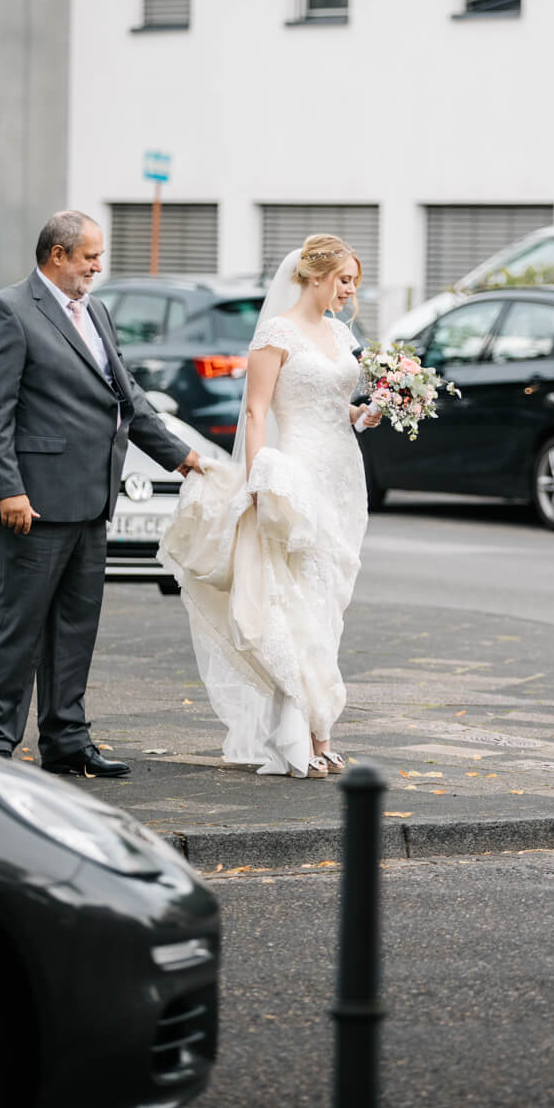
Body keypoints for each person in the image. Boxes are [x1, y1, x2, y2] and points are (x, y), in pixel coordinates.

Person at [0, 211, 202, 777]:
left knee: (76, 624)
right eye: (89, 257)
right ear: (57, 256)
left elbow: (127, 396)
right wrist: (8, 490)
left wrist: (183, 455)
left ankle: (67, 741)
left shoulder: (95, 310)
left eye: (98, 257)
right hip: (34, 502)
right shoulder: (10, 311)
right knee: (19, 626)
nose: (98, 267)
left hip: (93, 498)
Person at [161, 235, 380, 778]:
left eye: (354, 280)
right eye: (344, 279)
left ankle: (316, 724)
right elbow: (257, 413)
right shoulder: (275, 333)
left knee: (331, 597)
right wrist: (260, 478)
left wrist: (362, 415)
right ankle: (304, 733)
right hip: (297, 472)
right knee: (298, 597)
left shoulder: (339, 332)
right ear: (314, 275)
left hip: (344, 474)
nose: (350, 290)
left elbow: (333, 402)